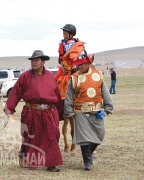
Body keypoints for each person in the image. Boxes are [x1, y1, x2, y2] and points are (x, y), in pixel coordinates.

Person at [4, 50, 63, 172]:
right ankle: (25, 154)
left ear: (43, 61)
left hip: (49, 112)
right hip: (31, 111)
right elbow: (15, 93)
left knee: (52, 137)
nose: (34, 62)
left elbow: (57, 95)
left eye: (36, 60)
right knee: (30, 137)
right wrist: (9, 108)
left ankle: (51, 164)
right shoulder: (25, 76)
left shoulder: (51, 77)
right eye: (32, 60)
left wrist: (62, 112)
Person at [64, 55, 113, 171]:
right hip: (80, 112)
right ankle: (87, 162)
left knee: (100, 134)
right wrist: (69, 111)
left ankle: (88, 154)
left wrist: (108, 107)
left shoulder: (98, 75)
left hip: (96, 111)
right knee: (85, 138)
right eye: (78, 64)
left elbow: (105, 92)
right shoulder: (74, 78)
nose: (79, 66)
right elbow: (69, 96)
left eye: (82, 64)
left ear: (89, 64)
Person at [56, 23, 87, 153]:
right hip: (65, 71)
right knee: (57, 83)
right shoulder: (62, 44)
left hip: (76, 70)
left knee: (85, 84)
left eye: (65, 32)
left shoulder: (78, 44)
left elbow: (83, 58)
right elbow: (60, 59)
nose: (63, 34)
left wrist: (76, 67)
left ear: (71, 34)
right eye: (63, 32)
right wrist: (63, 66)